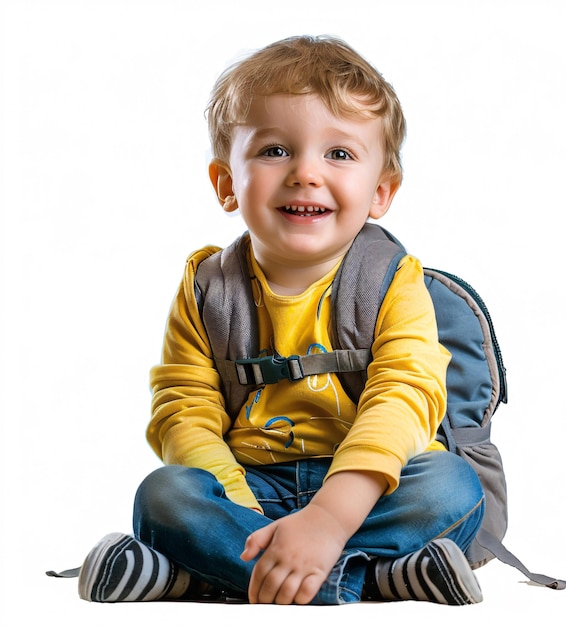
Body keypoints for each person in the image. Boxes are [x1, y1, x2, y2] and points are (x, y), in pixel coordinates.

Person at [77, 34, 485, 606]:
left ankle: (201, 575)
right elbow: (184, 411)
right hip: (249, 489)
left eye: (339, 154)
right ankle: (371, 579)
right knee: (166, 493)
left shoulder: (393, 279)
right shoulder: (206, 288)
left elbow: (404, 395)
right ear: (226, 184)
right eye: (274, 150)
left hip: (366, 488)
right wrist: (246, 515)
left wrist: (328, 520)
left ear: (381, 191)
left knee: (451, 489)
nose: (304, 173)